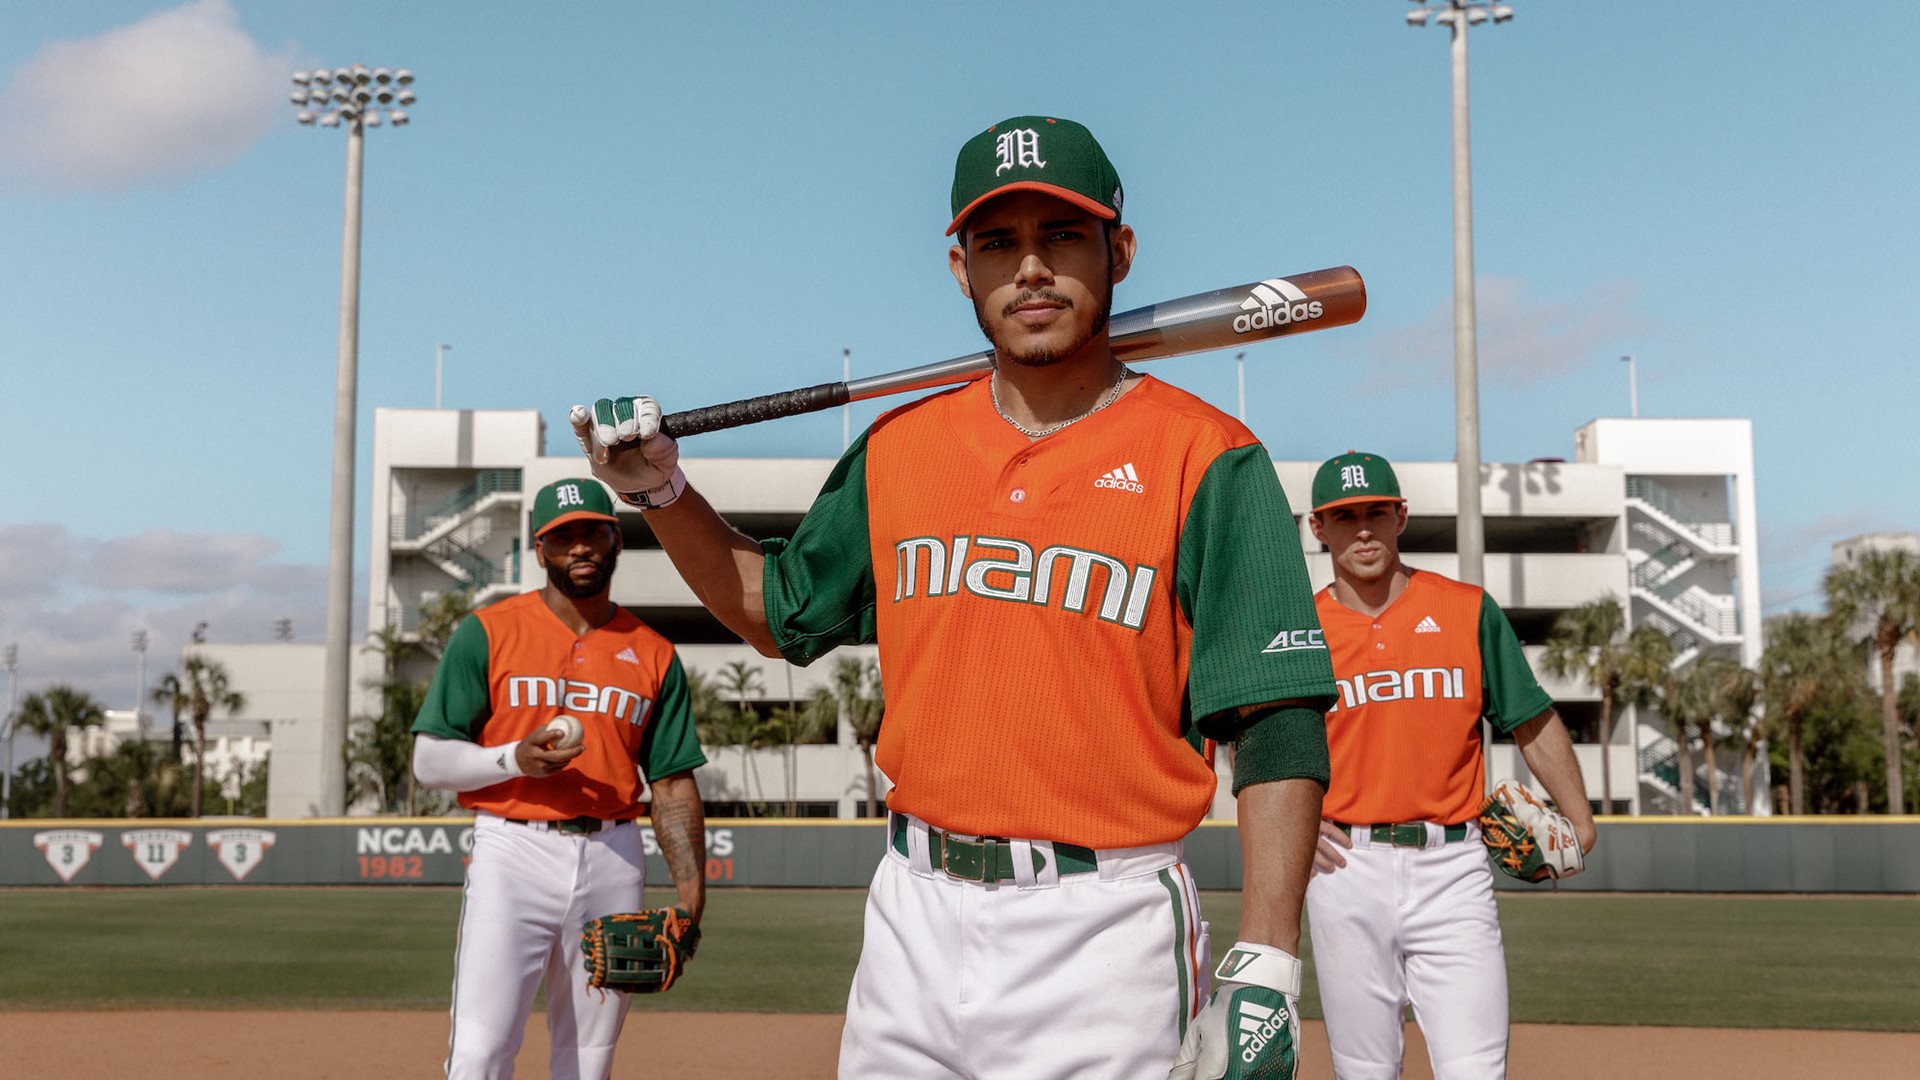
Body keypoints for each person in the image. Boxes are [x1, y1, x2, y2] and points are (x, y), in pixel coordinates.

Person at [569, 115, 1337, 1079]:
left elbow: (1277, 720)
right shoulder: (902, 446)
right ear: (959, 269)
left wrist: (1266, 961)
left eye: (1061, 235)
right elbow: (782, 612)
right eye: (997, 243)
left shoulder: (1208, 457)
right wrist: (657, 491)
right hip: (911, 917)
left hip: (1102, 933)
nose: (1030, 269)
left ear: (1121, 251)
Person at [1300, 451, 1599, 1079]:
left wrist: (1580, 816)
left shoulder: (1466, 609)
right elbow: (1260, 741)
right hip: (1343, 870)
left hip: (1453, 866)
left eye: (1376, 512)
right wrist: (1296, 823)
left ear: (1401, 517)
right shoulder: (1301, 629)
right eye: (1344, 515)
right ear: (1317, 528)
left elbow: (1530, 717)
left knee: (1476, 1067)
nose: (1362, 529)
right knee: (1364, 1069)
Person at [410, 476, 708, 1080]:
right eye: (562, 536)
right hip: (512, 849)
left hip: (613, 856)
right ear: (540, 549)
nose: (579, 547)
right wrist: (512, 759)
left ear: (615, 540)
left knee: (587, 1061)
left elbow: (673, 783)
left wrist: (691, 900)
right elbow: (430, 760)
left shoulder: (653, 653)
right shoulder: (487, 632)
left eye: (592, 532)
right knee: (480, 1050)